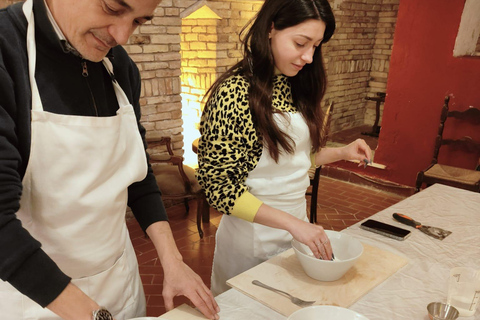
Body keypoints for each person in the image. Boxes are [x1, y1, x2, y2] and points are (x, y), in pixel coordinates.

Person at [0, 0, 219, 319]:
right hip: (35, 298)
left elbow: (139, 176)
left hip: (119, 282)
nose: (122, 36)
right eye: (114, 8)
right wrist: (94, 315)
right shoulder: (7, 52)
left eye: (139, 21)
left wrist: (174, 262)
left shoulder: (120, 67)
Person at [196, 0, 373, 296]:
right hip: (252, 239)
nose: (308, 56)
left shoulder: (295, 83)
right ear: (271, 28)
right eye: (301, 43)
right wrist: (293, 224)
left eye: (316, 46)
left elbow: (295, 158)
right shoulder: (236, 92)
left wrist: (342, 152)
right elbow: (219, 187)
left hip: (296, 232)